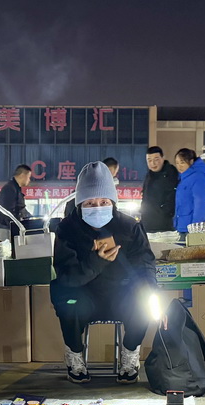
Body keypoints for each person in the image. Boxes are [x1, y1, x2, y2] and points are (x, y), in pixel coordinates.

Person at [51, 162, 157, 384]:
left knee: (145, 299)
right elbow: (67, 277)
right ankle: (74, 354)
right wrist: (96, 261)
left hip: (121, 294)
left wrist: (151, 292)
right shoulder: (68, 229)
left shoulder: (130, 227)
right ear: (79, 204)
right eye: (89, 203)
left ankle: (130, 352)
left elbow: (146, 264)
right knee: (66, 298)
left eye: (103, 202)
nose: (97, 207)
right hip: (83, 295)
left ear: (113, 202)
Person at [173, 148, 205, 240]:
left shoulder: (198, 177)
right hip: (182, 226)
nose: (179, 166)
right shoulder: (183, 179)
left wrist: (195, 228)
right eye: (177, 163)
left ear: (191, 161)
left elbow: (200, 204)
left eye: (182, 162)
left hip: (192, 229)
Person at [0, 164, 33, 241]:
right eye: (28, 177)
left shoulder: (15, 188)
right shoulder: (9, 188)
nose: (29, 180)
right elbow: (7, 211)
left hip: (10, 228)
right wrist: (16, 226)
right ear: (22, 175)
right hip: (7, 229)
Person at [141, 146, 179, 232]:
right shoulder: (149, 175)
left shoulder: (170, 174)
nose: (153, 163)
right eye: (149, 160)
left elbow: (172, 198)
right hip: (147, 223)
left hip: (164, 225)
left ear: (163, 158)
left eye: (156, 159)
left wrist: (164, 212)